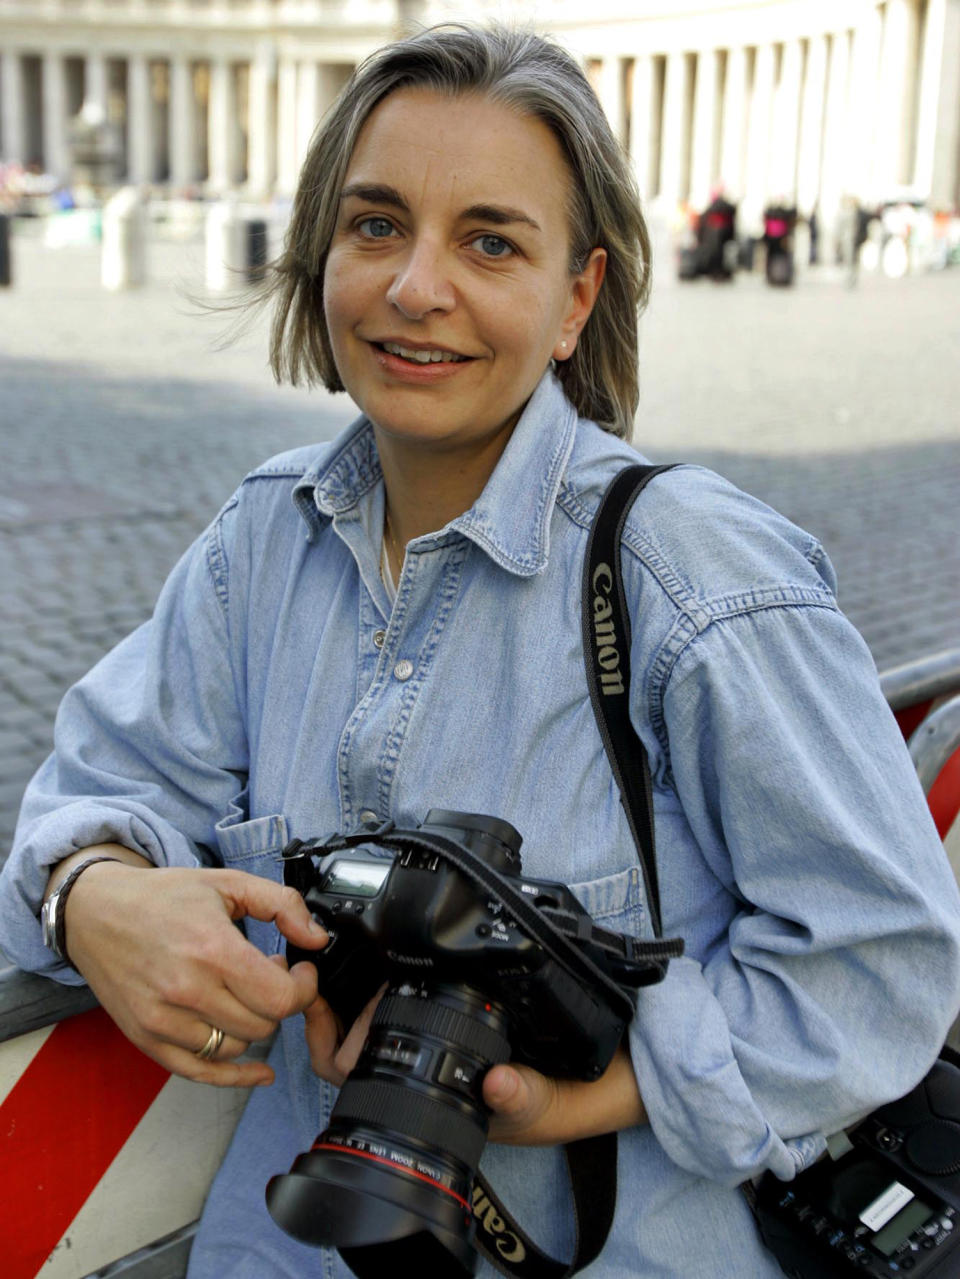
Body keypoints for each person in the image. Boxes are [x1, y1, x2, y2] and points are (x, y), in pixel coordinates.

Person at [2, 23, 959, 1279]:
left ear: (578, 297)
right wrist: (99, 896)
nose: (415, 289)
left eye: (491, 242)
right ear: (321, 253)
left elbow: (885, 955)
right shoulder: (261, 539)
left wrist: (600, 1089)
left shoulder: (700, 575)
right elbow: (97, 792)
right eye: (377, 225)